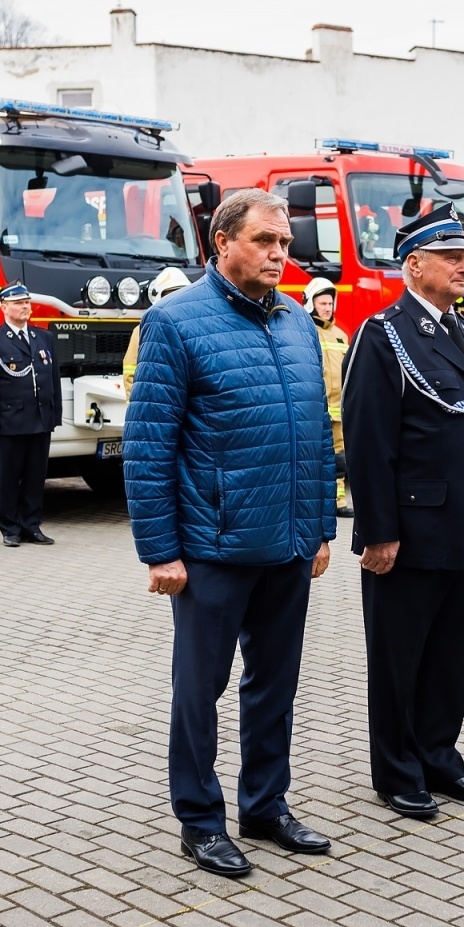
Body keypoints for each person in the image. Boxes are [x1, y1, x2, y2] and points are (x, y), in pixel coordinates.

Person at [124, 188, 336, 878]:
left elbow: (313, 437)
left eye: (286, 244)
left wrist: (320, 527)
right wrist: (161, 549)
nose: (281, 254)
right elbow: (149, 447)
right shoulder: (176, 324)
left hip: (287, 543)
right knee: (199, 689)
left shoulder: (299, 323)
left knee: (275, 685)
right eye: (265, 242)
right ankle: (200, 820)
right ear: (222, 243)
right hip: (212, 547)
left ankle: (265, 805)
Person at [342, 202, 464, 815]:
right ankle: (396, 769)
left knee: (451, 652)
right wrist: (377, 531)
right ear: (413, 266)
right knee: (400, 655)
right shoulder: (382, 334)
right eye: (451, 257)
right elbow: (369, 441)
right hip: (412, 529)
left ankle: (440, 756)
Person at [0, 283, 63, 548]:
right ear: (4, 307)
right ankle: (9, 528)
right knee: (8, 477)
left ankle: (31, 525)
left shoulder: (43, 338)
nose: (24, 307)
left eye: (26, 302)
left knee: (36, 476)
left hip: (39, 418)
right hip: (9, 421)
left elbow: (53, 379)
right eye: (17, 303)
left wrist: (54, 414)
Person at [305, 276, 354, 517]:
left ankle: (338, 502)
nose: (327, 308)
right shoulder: (306, 330)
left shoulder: (341, 335)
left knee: (340, 457)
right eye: (322, 303)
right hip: (315, 408)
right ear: (310, 303)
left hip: (338, 408)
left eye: (329, 304)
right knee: (315, 457)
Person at [123, 267, 191, 402]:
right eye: (170, 295)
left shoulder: (198, 328)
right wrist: (136, 406)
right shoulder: (142, 330)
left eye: (180, 294)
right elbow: (130, 373)